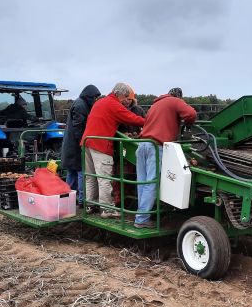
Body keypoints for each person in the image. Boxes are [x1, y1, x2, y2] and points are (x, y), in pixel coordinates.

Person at [134, 87, 197, 228]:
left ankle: (141, 215)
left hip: (142, 144)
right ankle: (141, 220)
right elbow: (191, 113)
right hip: (155, 147)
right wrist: (188, 122)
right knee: (152, 183)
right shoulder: (175, 101)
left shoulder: (155, 104)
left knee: (142, 183)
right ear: (179, 97)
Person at [81, 82, 145, 218]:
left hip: (87, 142)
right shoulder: (114, 104)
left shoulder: (101, 102)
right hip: (101, 144)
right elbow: (132, 118)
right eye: (126, 96)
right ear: (119, 94)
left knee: (90, 177)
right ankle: (107, 209)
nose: (126, 100)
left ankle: (90, 205)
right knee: (104, 178)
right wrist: (151, 122)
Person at [60, 84, 101, 205]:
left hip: (71, 144)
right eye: (94, 97)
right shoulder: (81, 105)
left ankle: (67, 197)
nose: (95, 100)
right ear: (89, 96)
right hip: (76, 145)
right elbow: (79, 126)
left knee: (72, 171)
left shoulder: (79, 103)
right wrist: (83, 142)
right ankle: (82, 200)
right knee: (81, 171)